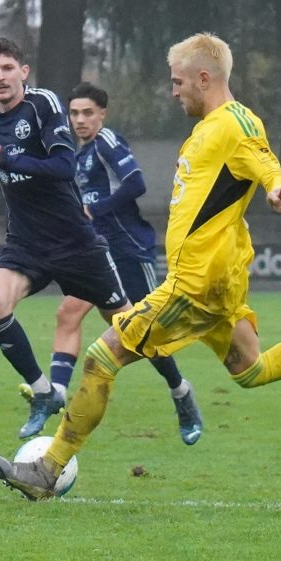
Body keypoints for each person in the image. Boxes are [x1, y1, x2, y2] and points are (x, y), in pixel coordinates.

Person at [0, 33, 281, 500]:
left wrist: (278, 186)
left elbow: (264, 159)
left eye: (178, 82)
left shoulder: (235, 123)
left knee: (100, 358)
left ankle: (47, 470)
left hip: (197, 284)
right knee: (250, 368)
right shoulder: (208, 129)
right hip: (217, 283)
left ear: (204, 78)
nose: (174, 91)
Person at [0, 39, 133, 436]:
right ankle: (44, 393)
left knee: (131, 327)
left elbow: (64, 166)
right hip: (25, 242)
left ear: (24, 71)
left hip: (74, 240)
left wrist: (13, 160)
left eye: (7, 68)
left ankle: (179, 389)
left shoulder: (43, 105)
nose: (0, 77)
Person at [53, 83, 203, 445]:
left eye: (88, 112)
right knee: (68, 313)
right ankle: (52, 395)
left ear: (102, 114)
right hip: (96, 251)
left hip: (128, 249)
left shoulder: (107, 141)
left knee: (142, 333)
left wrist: (96, 209)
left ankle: (181, 392)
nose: (80, 120)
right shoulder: (76, 155)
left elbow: (136, 183)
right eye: (74, 113)